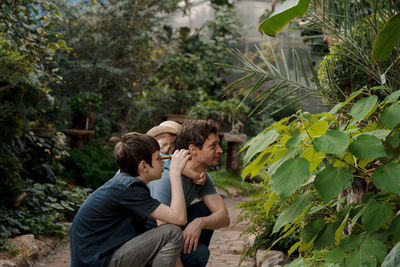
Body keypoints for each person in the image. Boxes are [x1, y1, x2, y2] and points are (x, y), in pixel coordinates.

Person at [70, 132, 191, 267]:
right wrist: (175, 173)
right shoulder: (130, 188)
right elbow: (179, 218)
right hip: (98, 262)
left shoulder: (125, 185)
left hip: (99, 258)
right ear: (143, 166)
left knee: (156, 230)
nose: (164, 161)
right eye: (158, 158)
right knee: (172, 233)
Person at [148, 120, 230, 267]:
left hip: (172, 226)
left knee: (205, 211)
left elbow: (224, 217)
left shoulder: (201, 176)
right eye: (213, 146)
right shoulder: (164, 176)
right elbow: (164, 232)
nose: (220, 150)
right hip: (149, 233)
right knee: (199, 255)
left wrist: (200, 222)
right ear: (193, 150)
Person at [147, 120, 205, 185]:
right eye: (164, 144)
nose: (166, 150)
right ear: (155, 140)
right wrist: (195, 176)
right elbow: (171, 164)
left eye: (171, 147)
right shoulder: (151, 155)